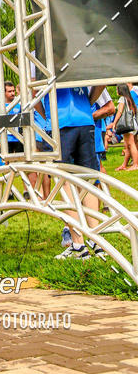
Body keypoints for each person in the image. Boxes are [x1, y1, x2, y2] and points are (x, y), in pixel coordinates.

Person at [37, 86, 106, 259]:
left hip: (59, 119)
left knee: (64, 180)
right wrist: (87, 102)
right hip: (84, 119)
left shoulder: (40, 57)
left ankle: (78, 243)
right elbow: (101, 82)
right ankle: (96, 241)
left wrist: (47, 116)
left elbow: (31, 91)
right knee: (87, 180)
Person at [109, 84, 138, 171]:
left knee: (131, 144)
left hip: (127, 125)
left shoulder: (122, 99)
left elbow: (120, 112)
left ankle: (136, 164)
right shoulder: (130, 99)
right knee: (128, 145)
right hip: (133, 124)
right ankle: (124, 164)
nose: (116, 91)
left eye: (117, 89)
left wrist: (114, 123)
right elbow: (134, 111)